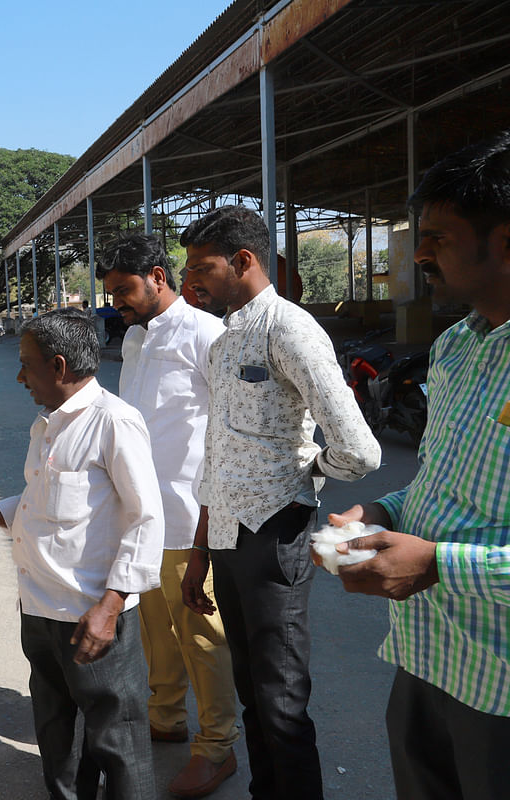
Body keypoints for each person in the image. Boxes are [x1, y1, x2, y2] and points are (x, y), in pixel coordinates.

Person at [320, 132, 510, 800]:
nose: (419, 255)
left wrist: (435, 563)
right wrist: (382, 512)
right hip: (428, 658)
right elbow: (446, 482)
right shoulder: (458, 346)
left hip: (502, 688)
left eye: (439, 238)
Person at [177, 205, 381, 800]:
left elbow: (360, 450)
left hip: (274, 537)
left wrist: (308, 475)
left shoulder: (288, 329)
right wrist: (200, 553)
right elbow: (216, 456)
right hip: (227, 538)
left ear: (243, 262)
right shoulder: (223, 339)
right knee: (252, 693)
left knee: (281, 701)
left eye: (203, 268)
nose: (193, 281)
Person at [0, 308, 164, 800]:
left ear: (58, 367)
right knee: (59, 739)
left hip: (93, 615)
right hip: (39, 611)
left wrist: (109, 607)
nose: (18, 376)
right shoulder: (49, 425)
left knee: (118, 742)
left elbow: (146, 519)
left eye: (26, 364)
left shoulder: (114, 423)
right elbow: (42, 501)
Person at [98, 232, 238, 799]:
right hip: (141, 515)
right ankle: (166, 716)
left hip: (189, 517)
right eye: (109, 293)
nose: (116, 303)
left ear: (159, 276)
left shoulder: (207, 333)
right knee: (153, 628)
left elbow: (227, 430)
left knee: (202, 635)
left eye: (124, 290)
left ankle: (217, 747)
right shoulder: (135, 337)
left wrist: (211, 523)